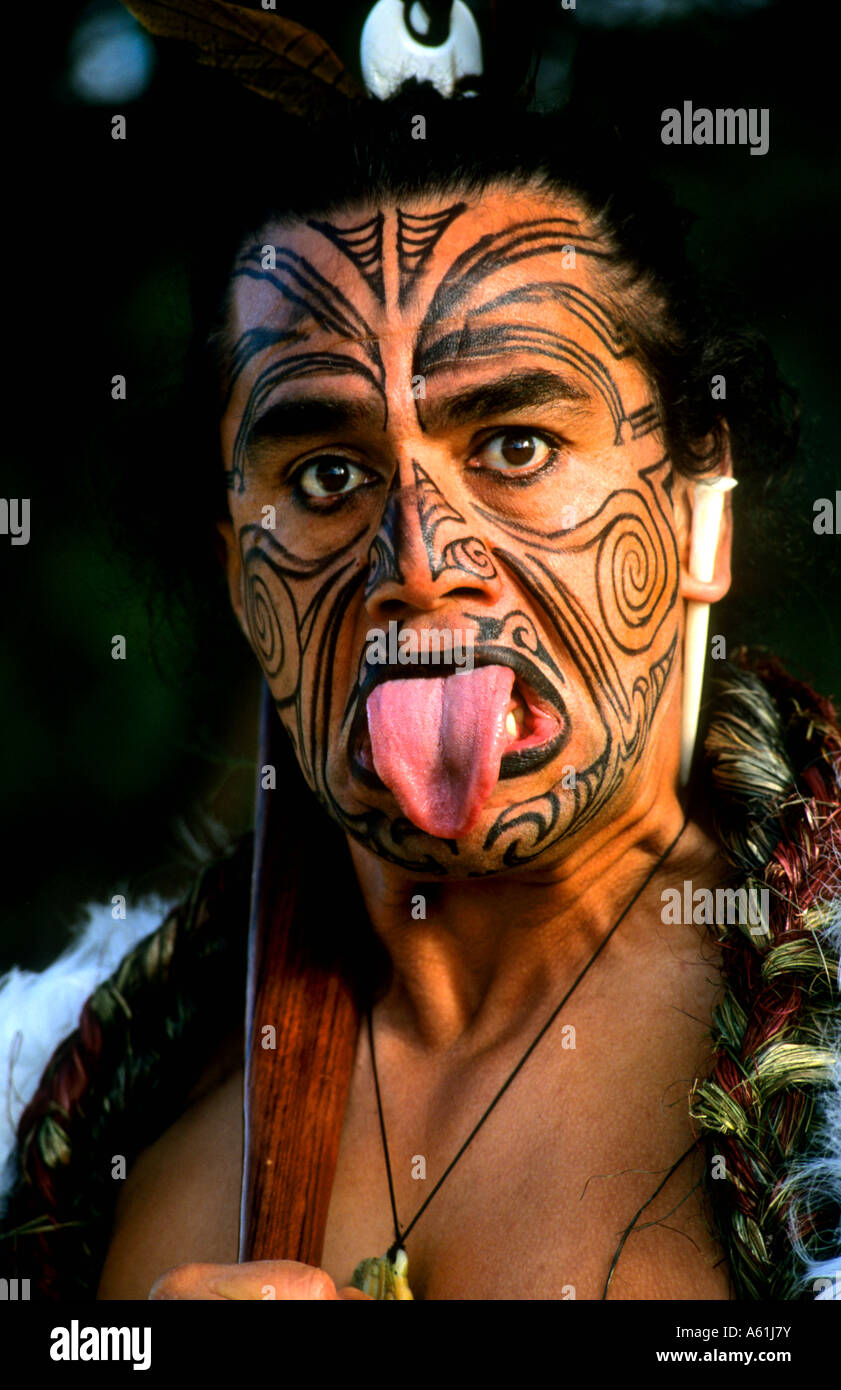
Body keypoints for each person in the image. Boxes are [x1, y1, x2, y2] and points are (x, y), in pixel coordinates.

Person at [1, 42, 839, 1302]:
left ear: (699, 512)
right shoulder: (89, 1123)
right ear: (239, 573)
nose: (421, 558)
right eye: (326, 476)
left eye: (512, 442)